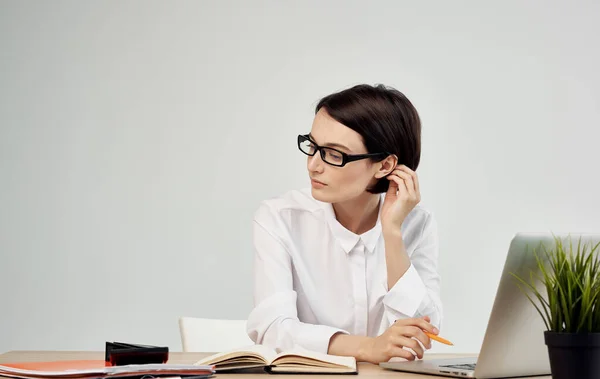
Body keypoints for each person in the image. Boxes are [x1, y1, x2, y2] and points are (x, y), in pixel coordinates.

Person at [246, 84, 442, 364]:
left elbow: (424, 332)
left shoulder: (416, 224)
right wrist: (369, 347)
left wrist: (392, 233)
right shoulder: (280, 217)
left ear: (385, 166)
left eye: (334, 154)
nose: (313, 165)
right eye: (312, 146)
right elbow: (272, 328)